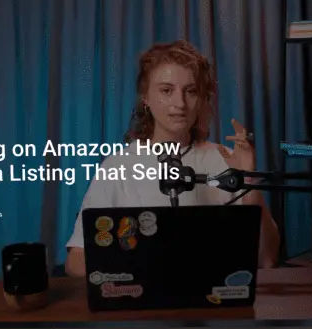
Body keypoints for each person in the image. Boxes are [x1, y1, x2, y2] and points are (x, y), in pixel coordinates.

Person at [64, 39, 279, 276]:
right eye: (167, 90)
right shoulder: (118, 166)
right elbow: (76, 262)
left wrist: (248, 180)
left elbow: (266, 259)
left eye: (191, 91)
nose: (180, 103)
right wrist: (138, 269)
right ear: (145, 96)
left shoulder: (223, 159)